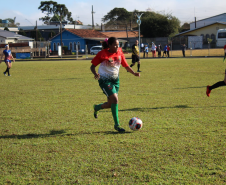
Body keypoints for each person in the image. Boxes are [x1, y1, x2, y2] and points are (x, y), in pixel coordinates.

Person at [90, 37, 140, 132]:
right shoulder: (102, 54)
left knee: (110, 104)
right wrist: (95, 73)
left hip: (115, 81)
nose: (117, 46)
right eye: (115, 45)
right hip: (104, 81)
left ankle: (96, 107)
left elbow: (125, 65)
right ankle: (117, 125)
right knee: (115, 100)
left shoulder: (120, 52)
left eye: (118, 44)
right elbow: (92, 66)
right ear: (109, 45)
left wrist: (134, 73)